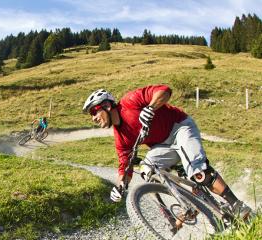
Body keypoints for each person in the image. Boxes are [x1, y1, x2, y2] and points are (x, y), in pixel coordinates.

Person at [82, 85, 252, 221]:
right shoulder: (121, 138)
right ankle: (188, 203)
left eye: (94, 111)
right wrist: (120, 187)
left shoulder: (129, 101)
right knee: (147, 170)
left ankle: (238, 206)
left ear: (106, 105)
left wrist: (150, 107)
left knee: (199, 172)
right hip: (163, 145)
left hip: (180, 127)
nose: (93, 118)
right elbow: (124, 168)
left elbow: (164, 90)